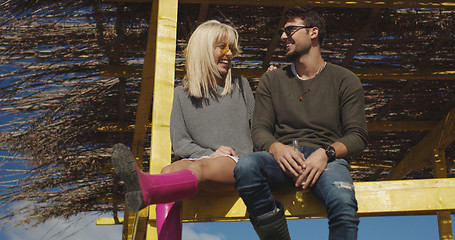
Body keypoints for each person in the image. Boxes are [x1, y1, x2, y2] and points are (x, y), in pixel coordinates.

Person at [111, 20, 254, 240]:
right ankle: (153, 189)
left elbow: (259, 129)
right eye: (222, 47)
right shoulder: (181, 95)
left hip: (240, 165)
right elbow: (180, 143)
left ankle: (148, 187)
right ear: (204, 49)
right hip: (203, 166)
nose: (229, 54)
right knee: (169, 172)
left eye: (231, 48)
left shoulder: (242, 86)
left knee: (195, 170)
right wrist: (208, 154)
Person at [233, 7, 368, 240]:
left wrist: (326, 153)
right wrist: (277, 148)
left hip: (327, 160)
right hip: (283, 160)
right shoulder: (271, 79)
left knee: (344, 206)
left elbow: (358, 136)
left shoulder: (346, 80)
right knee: (246, 167)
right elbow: (260, 130)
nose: (284, 37)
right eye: (282, 32)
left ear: (313, 32)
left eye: (290, 30)